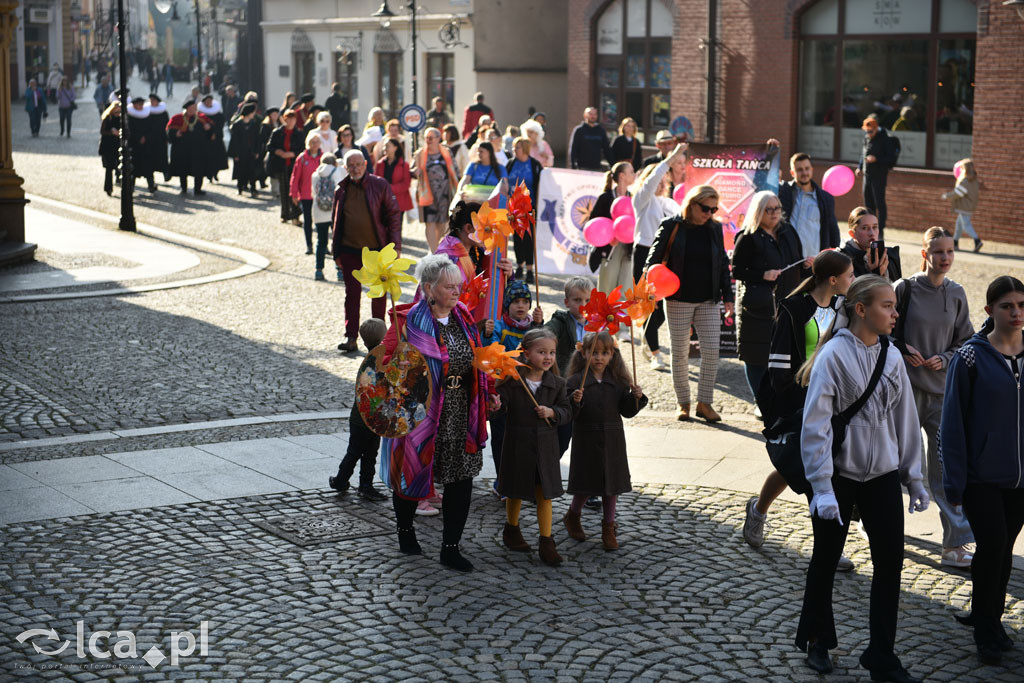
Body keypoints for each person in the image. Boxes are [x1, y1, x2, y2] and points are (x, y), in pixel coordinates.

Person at [795, 274, 926, 683]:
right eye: (887, 305)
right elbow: (814, 425)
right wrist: (821, 486)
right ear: (860, 309)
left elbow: (906, 418)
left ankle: (881, 655)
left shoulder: (891, 356)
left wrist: (915, 476)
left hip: (883, 473)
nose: (895, 312)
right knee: (826, 558)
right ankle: (818, 639)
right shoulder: (833, 355)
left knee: (890, 562)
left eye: (894, 305)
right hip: (839, 474)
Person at [381, 254, 496, 571]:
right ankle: (405, 531)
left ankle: (450, 548)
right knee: (411, 474)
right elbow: (385, 365)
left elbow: (477, 358)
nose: (457, 291)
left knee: (462, 478)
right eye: (449, 287)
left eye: (458, 285)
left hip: (461, 409)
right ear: (429, 288)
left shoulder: (462, 315)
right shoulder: (409, 323)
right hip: (422, 414)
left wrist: (489, 392)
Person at [742, 250, 855, 556]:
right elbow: (777, 367)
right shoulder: (793, 308)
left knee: (814, 467)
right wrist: (795, 403)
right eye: (850, 275)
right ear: (833, 280)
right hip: (797, 403)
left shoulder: (841, 307)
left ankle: (824, 541)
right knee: (803, 466)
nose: (853, 279)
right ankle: (762, 511)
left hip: (830, 401)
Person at [940, 275, 1024, 666]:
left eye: (1022, 306)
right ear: (989, 310)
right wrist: (954, 483)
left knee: (1004, 550)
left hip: (1020, 480)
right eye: (1007, 306)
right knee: (991, 547)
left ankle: (990, 616)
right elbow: (952, 423)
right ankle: (986, 629)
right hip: (981, 477)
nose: (1016, 313)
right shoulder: (970, 357)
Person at [893, 227, 975, 568]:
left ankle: (955, 544)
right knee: (896, 463)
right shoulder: (905, 289)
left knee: (945, 469)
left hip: (942, 394)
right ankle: (877, 523)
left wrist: (947, 356)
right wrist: (902, 347)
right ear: (925, 254)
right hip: (905, 392)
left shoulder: (956, 294)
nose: (945, 257)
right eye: (938, 251)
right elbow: (884, 331)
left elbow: (966, 341)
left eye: (950, 251)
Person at [645, 185, 735, 423]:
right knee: (680, 352)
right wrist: (651, 289)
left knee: (712, 351)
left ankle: (704, 403)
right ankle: (683, 403)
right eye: (705, 208)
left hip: (708, 299)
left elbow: (723, 262)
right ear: (692, 204)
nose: (709, 213)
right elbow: (652, 260)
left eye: (714, 209)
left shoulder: (714, 228)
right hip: (677, 299)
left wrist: (729, 297)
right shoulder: (671, 225)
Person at [564, 331, 647, 550]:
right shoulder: (575, 382)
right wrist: (575, 401)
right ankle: (573, 515)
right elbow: (569, 413)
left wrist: (636, 398)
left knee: (612, 485)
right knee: (586, 483)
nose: (599, 358)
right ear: (583, 354)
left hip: (612, 439)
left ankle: (608, 527)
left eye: (604, 353)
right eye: (594, 353)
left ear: (612, 355)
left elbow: (626, 411)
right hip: (587, 438)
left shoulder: (618, 382)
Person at [495, 328, 571, 566]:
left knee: (544, 493)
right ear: (526, 354)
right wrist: (496, 403)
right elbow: (501, 407)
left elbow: (567, 412)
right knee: (515, 489)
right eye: (541, 352)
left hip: (545, 447)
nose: (548, 357)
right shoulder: (512, 380)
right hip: (518, 443)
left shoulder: (558, 384)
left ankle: (546, 541)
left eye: (552, 352)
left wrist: (552, 412)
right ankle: (512, 529)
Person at [731, 191, 808, 403]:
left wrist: (805, 265)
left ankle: (779, 399)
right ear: (759, 211)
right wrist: (762, 275)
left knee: (784, 355)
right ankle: (761, 400)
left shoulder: (789, 231)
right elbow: (736, 271)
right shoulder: (747, 237)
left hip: (787, 302)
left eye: (777, 208)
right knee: (756, 357)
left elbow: (796, 261)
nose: (774, 213)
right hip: (758, 306)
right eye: (769, 209)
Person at [332, 149, 403, 351]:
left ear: (365, 163)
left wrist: (395, 247)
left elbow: (393, 216)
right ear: (345, 168)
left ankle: (378, 339)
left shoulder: (379, 185)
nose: (355, 168)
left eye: (358, 164)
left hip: (376, 251)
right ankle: (351, 336)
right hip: (349, 250)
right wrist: (335, 251)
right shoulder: (341, 190)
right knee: (351, 295)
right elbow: (335, 222)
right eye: (351, 166)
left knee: (378, 296)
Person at [484, 279, 545, 498]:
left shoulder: (533, 326)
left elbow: (542, 346)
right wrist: (486, 332)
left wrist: (539, 326)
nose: (521, 306)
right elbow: (489, 352)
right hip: (503, 389)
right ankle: (502, 480)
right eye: (516, 301)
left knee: (525, 437)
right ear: (507, 304)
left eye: (525, 301)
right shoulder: (499, 326)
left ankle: (523, 478)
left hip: (527, 390)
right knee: (501, 436)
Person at [631, 143, 686, 371]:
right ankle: (655, 353)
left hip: (666, 257)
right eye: (658, 179)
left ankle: (648, 340)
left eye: (665, 180)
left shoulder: (670, 203)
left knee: (664, 308)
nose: (662, 182)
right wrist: (671, 157)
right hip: (645, 254)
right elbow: (654, 177)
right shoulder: (642, 201)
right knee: (649, 306)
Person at [328, 318, 389, 501]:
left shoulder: (371, 359)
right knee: (364, 453)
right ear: (384, 337)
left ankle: (358, 484)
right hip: (367, 417)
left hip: (364, 417)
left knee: (359, 452)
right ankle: (348, 482)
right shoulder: (377, 361)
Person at [778, 153, 841, 258]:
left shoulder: (825, 198)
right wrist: (770, 151)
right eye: (799, 170)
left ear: (811, 169)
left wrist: (837, 255)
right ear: (792, 172)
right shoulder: (783, 192)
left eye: (807, 168)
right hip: (789, 258)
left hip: (814, 260)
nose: (804, 173)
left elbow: (832, 229)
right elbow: (766, 181)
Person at [589, 162, 635, 296]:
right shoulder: (605, 198)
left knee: (626, 289)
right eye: (631, 172)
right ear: (622, 176)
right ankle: (604, 316)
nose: (634, 175)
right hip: (609, 248)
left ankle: (622, 317)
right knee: (607, 288)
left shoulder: (633, 198)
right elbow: (594, 223)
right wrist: (608, 239)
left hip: (628, 249)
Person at [412, 127, 459, 253]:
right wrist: (415, 171)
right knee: (430, 222)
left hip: (444, 193)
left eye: (431, 137)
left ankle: (436, 247)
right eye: (427, 137)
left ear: (439, 138)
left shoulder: (446, 152)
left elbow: (455, 170)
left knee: (442, 223)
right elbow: (412, 171)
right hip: (427, 192)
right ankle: (433, 252)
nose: (428, 140)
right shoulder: (420, 154)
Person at [506, 137, 544, 283]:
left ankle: (529, 269)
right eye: (515, 147)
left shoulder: (534, 165)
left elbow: (541, 184)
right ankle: (519, 265)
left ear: (525, 149)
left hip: (530, 207)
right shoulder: (510, 163)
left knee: (529, 238)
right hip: (514, 208)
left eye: (518, 147)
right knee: (517, 238)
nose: (515, 150)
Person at [856, 117, 897, 238]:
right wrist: (859, 167)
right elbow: (863, 154)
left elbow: (890, 159)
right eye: (866, 131)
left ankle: (881, 229)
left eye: (870, 131)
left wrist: (876, 159)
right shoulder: (866, 138)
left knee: (879, 203)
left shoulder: (885, 139)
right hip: (867, 175)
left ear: (876, 129)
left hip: (879, 175)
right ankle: (869, 229)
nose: (868, 134)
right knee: (868, 204)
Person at [166, 98, 214, 196]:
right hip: (183, 150)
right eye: (190, 108)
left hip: (198, 150)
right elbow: (169, 130)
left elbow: (211, 130)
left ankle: (198, 189)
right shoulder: (178, 118)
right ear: (186, 108)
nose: (192, 110)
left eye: (194, 108)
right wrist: (176, 133)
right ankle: (184, 188)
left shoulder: (202, 118)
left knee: (199, 170)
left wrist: (209, 128)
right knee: (183, 169)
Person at [840, 207, 901, 281]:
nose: (872, 233)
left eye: (875, 227)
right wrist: (872, 274)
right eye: (865, 228)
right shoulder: (844, 259)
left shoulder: (889, 255)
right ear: (852, 234)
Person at [311, 153, 345, 281]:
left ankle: (318, 270)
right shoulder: (338, 171)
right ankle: (340, 271)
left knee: (321, 241)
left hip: (319, 212)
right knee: (337, 242)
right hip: (334, 211)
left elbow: (313, 192)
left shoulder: (315, 175)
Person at [290, 131, 324, 255]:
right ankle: (309, 245)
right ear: (308, 143)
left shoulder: (324, 158)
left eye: (317, 142)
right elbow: (295, 177)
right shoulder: (302, 158)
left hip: (321, 195)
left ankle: (323, 244)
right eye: (312, 142)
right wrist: (293, 193)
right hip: (306, 195)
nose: (315, 144)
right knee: (308, 221)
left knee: (322, 221)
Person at [266, 109, 303, 222]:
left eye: (293, 119)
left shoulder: (299, 134)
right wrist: (278, 152)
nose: (291, 121)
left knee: (295, 191)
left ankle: (295, 216)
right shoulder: (277, 132)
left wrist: (293, 154)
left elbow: (303, 149)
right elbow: (269, 146)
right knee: (284, 191)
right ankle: (285, 215)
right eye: (289, 119)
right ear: (284, 119)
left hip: (294, 166)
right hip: (281, 166)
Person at [942, 158, 982, 253]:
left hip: (965, 207)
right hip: (969, 206)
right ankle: (955, 242)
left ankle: (977, 241)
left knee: (966, 225)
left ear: (965, 169)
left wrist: (946, 196)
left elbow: (958, 193)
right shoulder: (974, 180)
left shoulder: (966, 181)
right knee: (959, 224)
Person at [374, 137, 413, 218]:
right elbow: (375, 181)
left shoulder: (404, 165)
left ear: (395, 148)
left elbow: (406, 184)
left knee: (397, 228)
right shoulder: (379, 164)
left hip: (399, 202)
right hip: (383, 201)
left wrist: (390, 188)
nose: (385, 148)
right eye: (384, 146)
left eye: (387, 146)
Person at [227, 102, 261, 197]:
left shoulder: (254, 125)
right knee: (240, 170)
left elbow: (257, 139)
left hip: (251, 151)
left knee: (252, 171)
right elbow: (234, 140)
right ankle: (240, 187)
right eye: (253, 112)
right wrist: (235, 154)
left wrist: (257, 151)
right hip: (240, 152)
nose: (254, 114)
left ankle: (253, 189)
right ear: (248, 113)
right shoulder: (237, 125)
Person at [126, 96, 157, 193]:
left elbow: (152, 129)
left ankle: (151, 185)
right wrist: (138, 138)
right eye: (138, 104)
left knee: (148, 167)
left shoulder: (148, 115)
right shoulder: (130, 116)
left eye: (142, 104)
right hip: (134, 146)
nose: (140, 106)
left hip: (146, 146)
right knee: (133, 167)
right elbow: (129, 130)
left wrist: (146, 137)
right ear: (134, 105)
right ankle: (131, 186)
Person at [569, 107, 613, 171]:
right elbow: (573, 149)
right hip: (582, 168)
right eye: (590, 114)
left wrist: (612, 164)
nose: (593, 116)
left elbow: (607, 149)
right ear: (585, 115)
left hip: (597, 167)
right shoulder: (579, 130)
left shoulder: (601, 131)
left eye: (594, 114)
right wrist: (573, 166)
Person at [197, 93, 228, 182]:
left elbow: (220, 124)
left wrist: (215, 133)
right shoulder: (201, 115)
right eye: (207, 101)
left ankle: (215, 173)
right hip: (205, 139)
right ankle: (209, 174)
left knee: (217, 157)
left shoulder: (218, 114)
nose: (209, 103)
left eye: (210, 101)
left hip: (217, 139)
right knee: (207, 158)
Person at [99, 100, 121, 196]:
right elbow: (102, 131)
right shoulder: (107, 118)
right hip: (108, 146)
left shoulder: (120, 119)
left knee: (119, 167)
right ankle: (108, 188)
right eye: (116, 111)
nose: (118, 113)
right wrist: (111, 132)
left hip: (117, 146)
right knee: (109, 168)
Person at [147, 94, 170, 183]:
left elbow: (167, 125)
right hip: (150, 139)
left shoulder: (163, 113)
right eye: (151, 100)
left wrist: (167, 138)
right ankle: (151, 178)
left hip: (161, 138)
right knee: (150, 158)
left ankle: (166, 173)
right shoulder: (147, 112)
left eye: (154, 100)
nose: (152, 102)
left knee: (163, 157)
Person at [257, 107, 280, 193]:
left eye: (276, 114)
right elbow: (263, 138)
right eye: (273, 115)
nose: (275, 116)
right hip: (268, 150)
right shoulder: (266, 125)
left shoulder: (280, 124)